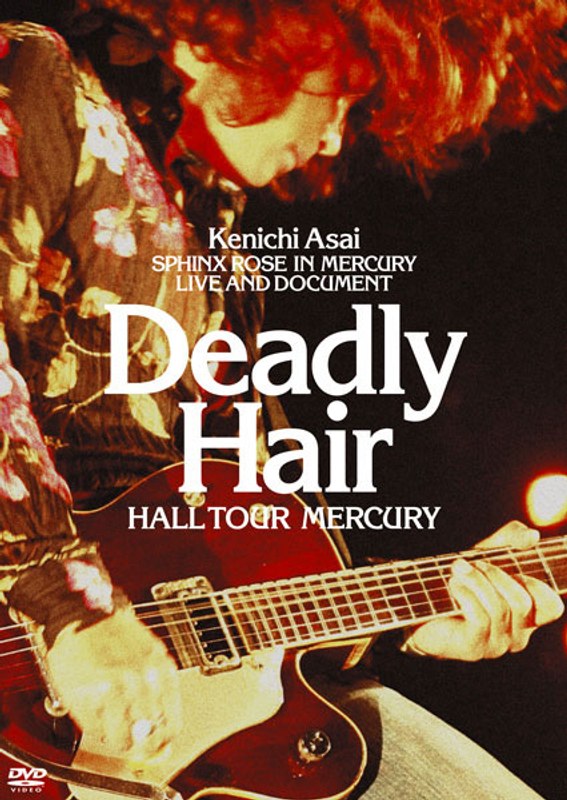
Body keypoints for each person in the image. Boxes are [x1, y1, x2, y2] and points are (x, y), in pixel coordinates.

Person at [0, 1, 565, 797]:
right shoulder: (40, 75)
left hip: (210, 706)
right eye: (339, 91)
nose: (334, 138)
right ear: (262, 35)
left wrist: (412, 613)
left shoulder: (215, 222)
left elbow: (252, 545)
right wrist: (72, 608)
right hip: (44, 676)